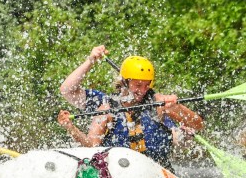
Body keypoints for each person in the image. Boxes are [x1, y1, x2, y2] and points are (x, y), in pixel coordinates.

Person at [58, 45, 204, 171]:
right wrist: (71, 129)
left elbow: (198, 125)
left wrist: (177, 107)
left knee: (177, 135)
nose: (143, 90)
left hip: (158, 171)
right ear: (125, 82)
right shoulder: (107, 107)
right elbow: (91, 146)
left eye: (147, 85)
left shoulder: (159, 103)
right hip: (120, 173)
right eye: (138, 85)